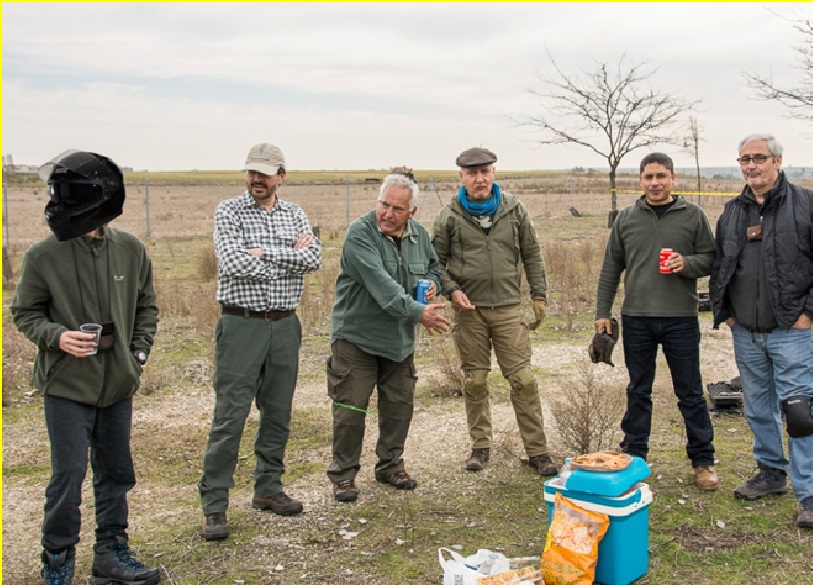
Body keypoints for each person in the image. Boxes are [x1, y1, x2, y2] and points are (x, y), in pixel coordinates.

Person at [11, 150, 160, 585]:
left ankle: (111, 554)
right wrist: (57, 337)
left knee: (116, 472)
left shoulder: (130, 249)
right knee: (68, 475)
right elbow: (25, 312)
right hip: (66, 386)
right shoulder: (43, 255)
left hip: (117, 384)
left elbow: (146, 307)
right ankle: (57, 564)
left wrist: (137, 355)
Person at [709, 134, 813, 530]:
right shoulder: (733, 212)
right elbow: (721, 266)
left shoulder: (808, 205)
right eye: (744, 159)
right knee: (757, 407)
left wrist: (809, 313)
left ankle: (810, 496)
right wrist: (727, 313)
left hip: (790, 331)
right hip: (746, 332)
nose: (751, 166)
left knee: (800, 411)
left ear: (778, 161)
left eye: (759, 158)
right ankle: (771, 474)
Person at [198, 143, 322, 540]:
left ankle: (268, 488)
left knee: (278, 412)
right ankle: (215, 505)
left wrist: (265, 253)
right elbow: (232, 262)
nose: (256, 180)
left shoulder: (295, 213)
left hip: (285, 325)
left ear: (281, 176)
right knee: (230, 415)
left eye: (265, 174)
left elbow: (314, 259)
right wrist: (288, 258)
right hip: (241, 325)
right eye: (251, 172)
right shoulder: (229, 211)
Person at [594, 152, 719, 491]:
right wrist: (602, 312)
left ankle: (703, 461)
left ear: (673, 179)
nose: (655, 183)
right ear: (640, 180)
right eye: (649, 177)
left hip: (681, 317)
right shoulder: (627, 218)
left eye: (661, 176)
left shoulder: (692, 216)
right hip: (637, 317)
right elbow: (610, 267)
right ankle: (635, 459)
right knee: (638, 390)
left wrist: (687, 264)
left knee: (690, 392)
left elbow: (711, 258)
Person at [430, 147, 557, 476]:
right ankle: (480, 447)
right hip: (469, 313)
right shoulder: (449, 215)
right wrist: (452, 290)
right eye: (471, 173)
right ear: (461, 176)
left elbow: (532, 253)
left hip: (508, 309)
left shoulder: (514, 209)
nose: (479, 178)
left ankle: (538, 451)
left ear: (494, 173)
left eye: (484, 171)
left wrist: (539, 296)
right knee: (474, 381)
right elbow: (433, 263)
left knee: (523, 380)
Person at [327, 173, 452, 502]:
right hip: (357, 338)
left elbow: (434, 268)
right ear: (377, 200)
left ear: (411, 212)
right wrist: (418, 313)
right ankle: (343, 475)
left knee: (399, 407)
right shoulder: (360, 234)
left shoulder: (419, 236)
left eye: (398, 208)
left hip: (398, 341)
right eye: (384, 204)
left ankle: (390, 465)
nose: (388, 213)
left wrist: (432, 283)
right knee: (350, 410)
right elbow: (382, 286)